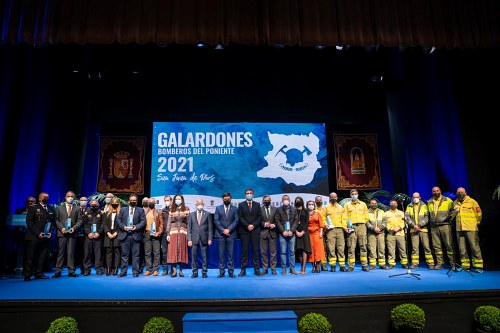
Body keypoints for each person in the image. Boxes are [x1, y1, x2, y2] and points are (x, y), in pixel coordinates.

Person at [23, 192, 56, 281]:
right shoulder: (33, 208)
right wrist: (38, 233)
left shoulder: (51, 208)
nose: (46, 198)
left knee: (42, 256)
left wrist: (50, 232)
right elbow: (29, 222)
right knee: (31, 256)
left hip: (46, 236)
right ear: (39, 198)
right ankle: (27, 274)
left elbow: (53, 222)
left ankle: (39, 273)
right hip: (34, 236)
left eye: (47, 197)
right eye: (44, 197)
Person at [453, 187, 484, 273]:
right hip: (459, 228)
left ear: (465, 192)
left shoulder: (472, 201)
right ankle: (465, 266)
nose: (460, 193)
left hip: (471, 228)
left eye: (461, 192)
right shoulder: (455, 203)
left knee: (474, 247)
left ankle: (479, 267)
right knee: (462, 249)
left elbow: (479, 213)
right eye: (458, 192)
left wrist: (476, 223)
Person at [53, 191, 82, 278]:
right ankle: (58, 271)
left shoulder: (77, 208)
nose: (70, 197)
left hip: (73, 234)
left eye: (72, 196)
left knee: (71, 253)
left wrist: (74, 228)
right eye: (68, 196)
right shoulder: (59, 208)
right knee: (61, 252)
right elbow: (56, 220)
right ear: (65, 197)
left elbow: (80, 220)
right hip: (62, 233)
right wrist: (62, 228)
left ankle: (71, 271)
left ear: (74, 198)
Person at [427, 186, 456, 270]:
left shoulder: (447, 200)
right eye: (434, 191)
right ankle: (440, 264)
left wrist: (449, 219)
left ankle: (452, 264)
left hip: (445, 226)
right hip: (434, 227)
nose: (436, 192)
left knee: (449, 245)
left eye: (437, 190)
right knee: (437, 247)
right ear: (432, 192)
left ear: (440, 191)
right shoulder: (430, 202)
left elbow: (454, 211)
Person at [117, 194, 146, 277]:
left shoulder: (140, 210)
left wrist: (136, 227)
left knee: (136, 256)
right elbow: (118, 220)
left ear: (136, 202)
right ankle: (123, 271)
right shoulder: (123, 210)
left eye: (134, 200)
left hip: (136, 235)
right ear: (128, 201)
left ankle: (135, 272)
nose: (133, 201)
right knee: (124, 255)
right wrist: (124, 227)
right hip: (124, 235)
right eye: (131, 200)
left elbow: (143, 221)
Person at [405, 192, 434, 270]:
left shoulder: (425, 206)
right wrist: (414, 225)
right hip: (413, 230)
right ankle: (414, 263)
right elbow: (407, 218)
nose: (415, 198)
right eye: (414, 197)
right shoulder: (409, 206)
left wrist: (419, 225)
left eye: (417, 197)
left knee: (427, 247)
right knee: (415, 248)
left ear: (420, 197)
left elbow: (427, 218)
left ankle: (430, 263)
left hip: (423, 229)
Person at [342, 189, 369, 272]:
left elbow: (366, 215)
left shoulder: (363, 204)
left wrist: (364, 222)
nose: (354, 195)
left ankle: (364, 265)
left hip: (361, 226)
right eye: (352, 194)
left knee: (363, 246)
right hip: (351, 227)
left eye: (355, 194)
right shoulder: (347, 205)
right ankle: (351, 265)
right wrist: (344, 227)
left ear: (358, 195)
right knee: (351, 247)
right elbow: (344, 216)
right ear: (350, 195)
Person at [237, 188, 263, 276]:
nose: (249, 194)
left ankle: (257, 270)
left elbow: (260, 217)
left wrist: (253, 225)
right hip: (244, 231)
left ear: (253, 195)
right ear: (245, 195)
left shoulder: (257, 204)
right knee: (244, 251)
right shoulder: (241, 205)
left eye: (250, 193)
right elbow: (240, 217)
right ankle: (243, 270)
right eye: (247, 193)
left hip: (255, 231)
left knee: (255, 251)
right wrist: (247, 225)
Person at [214, 192, 239, 278]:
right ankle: (221, 271)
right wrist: (223, 230)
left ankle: (231, 271)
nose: (226, 200)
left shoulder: (235, 209)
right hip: (221, 234)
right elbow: (216, 221)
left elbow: (236, 220)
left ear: (230, 199)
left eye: (228, 199)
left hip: (231, 234)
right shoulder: (218, 208)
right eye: (225, 199)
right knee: (221, 254)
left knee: (231, 254)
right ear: (222, 199)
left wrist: (229, 229)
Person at [188, 198, 213, 278]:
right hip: (194, 239)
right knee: (194, 256)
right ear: (195, 205)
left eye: (201, 204)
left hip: (204, 238)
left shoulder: (208, 214)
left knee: (204, 256)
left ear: (203, 205)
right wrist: (189, 239)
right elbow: (189, 228)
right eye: (198, 204)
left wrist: (210, 238)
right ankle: (194, 272)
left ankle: (204, 272)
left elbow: (210, 228)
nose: (200, 205)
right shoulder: (191, 214)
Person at [166, 194, 190, 277]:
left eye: (179, 199)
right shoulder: (171, 209)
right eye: (176, 199)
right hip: (173, 233)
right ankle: (174, 271)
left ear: (182, 200)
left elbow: (188, 223)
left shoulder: (186, 209)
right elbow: (169, 222)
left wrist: (188, 234)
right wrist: (168, 234)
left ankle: (181, 270)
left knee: (182, 251)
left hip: (183, 233)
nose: (177, 200)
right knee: (173, 251)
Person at [274, 194, 299, 275]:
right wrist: (283, 231)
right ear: (282, 201)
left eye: (287, 199)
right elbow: (277, 221)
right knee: (283, 252)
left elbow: (296, 221)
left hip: (292, 233)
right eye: (284, 199)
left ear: (290, 201)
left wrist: (292, 231)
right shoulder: (278, 210)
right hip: (283, 234)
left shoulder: (294, 209)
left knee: (292, 252)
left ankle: (292, 269)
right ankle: (284, 269)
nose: (286, 200)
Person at [324, 192, 346, 272]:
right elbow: (323, 217)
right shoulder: (326, 207)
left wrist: (344, 227)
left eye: (334, 197)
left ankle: (342, 265)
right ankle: (332, 265)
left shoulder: (341, 207)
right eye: (332, 197)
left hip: (340, 229)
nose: (333, 198)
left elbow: (344, 218)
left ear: (337, 198)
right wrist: (326, 224)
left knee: (341, 247)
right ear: (330, 198)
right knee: (331, 248)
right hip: (330, 230)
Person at [82, 200, 104, 276]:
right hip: (88, 236)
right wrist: (88, 233)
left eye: (95, 204)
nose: (94, 205)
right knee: (87, 253)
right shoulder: (86, 213)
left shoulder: (101, 213)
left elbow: (103, 224)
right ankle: (87, 270)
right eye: (92, 204)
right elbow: (84, 224)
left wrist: (99, 233)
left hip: (98, 236)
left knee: (98, 254)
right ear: (90, 205)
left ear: (98, 205)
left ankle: (99, 269)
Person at [143, 197, 163, 276]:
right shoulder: (144, 212)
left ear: (155, 203)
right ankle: (148, 269)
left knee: (156, 252)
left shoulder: (158, 212)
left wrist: (159, 232)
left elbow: (161, 223)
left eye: (152, 202)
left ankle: (156, 270)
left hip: (155, 234)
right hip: (147, 233)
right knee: (147, 253)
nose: (151, 203)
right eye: (149, 202)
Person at [385, 199, 408, 269]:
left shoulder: (401, 213)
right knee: (391, 249)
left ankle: (404, 263)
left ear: (397, 204)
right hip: (390, 234)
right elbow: (385, 223)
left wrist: (399, 228)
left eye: (394, 203)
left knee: (402, 249)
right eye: (391, 203)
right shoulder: (386, 213)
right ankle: (391, 263)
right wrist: (390, 229)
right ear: (389, 204)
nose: (393, 204)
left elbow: (404, 222)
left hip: (400, 233)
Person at [366, 198, 388, 270]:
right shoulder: (366, 212)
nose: (374, 204)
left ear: (377, 204)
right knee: (372, 248)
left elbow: (385, 222)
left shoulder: (382, 212)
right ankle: (372, 264)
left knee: (381, 248)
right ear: (369, 204)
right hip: (371, 233)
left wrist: (380, 228)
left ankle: (382, 264)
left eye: (375, 203)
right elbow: (366, 222)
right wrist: (373, 228)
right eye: (372, 203)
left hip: (381, 232)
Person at [260, 195, 278, 275]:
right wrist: (264, 224)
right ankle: (265, 269)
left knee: (273, 252)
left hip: (272, 233)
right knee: (263, 252)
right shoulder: (259, 210)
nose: (266, 201)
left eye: (268, 200)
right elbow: (258, 221)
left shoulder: (275, 209)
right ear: (263, 201)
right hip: (263, 233)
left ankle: (273, 268)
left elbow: (278, 221)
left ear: (270, 201)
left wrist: (274, 225)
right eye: (265, 200)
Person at [103, 197, 121, 276]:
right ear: (110, 204)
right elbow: (104, 224)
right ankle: (108, 267)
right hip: (108, 234)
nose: (114, 204)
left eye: (116, 203)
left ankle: (116, 267)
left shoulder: (121, 213)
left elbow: (122, 224)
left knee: (117, 251)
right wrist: (107, 232)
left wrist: (116, 232)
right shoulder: (106, 213)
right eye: (113, 203)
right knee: (108, 252)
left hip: (117, 233)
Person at [294, 196, 311, 274]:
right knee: (299, 250)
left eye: (299, 200)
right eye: (297, 200)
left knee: (304, 249)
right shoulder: (293, 211)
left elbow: (306, 222)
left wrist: (302, 231)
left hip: (304, 232)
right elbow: (292, 222)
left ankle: (303, 269)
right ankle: (301, 268)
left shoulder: (305, 210)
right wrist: (296, 231)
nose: (298, 201)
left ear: (302, 201)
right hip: (296, 231)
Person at [307, 200, 325, 273]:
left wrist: (321, 233)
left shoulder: (317, 214)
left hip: (317, 233)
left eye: (312, 204)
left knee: (318, 249)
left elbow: (321, 224)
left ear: (314, 205)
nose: (310, 205)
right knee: (311, 250)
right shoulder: (305, 214)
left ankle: (318, 265)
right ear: (307, 206)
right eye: (309, 204)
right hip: (309, 234)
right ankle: (313, 266)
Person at [314, 196, 328, 271]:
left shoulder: (325, 209)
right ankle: (317, 264)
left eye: (320, 200)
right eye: (317, 200)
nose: (319, 201)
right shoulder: (313, 210)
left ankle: (324, 264)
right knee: (318, 248)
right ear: (315, 201)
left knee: (325, 248)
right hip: (317, 231)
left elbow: (326, 219)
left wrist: (326, 226)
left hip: (326, 230)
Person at [160, 195, 172, 276]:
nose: (167, 201)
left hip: (173, 234)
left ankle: (172, 269)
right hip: (164, 234)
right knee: (164, 252)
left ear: (171, 200)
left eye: (168, 200)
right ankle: (165, 269)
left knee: (171, 252)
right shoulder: (163, 210)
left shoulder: (174, 210)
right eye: (165, 200)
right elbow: (161, 222)